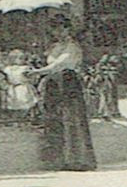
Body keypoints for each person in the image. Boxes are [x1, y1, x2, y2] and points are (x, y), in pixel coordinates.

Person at [26, 13, 98, 171]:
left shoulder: (72, 47)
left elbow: (59, 65)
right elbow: (49, 63)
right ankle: (57, 159)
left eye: (61, 29)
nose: (58, 33)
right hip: (53, 84)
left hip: (67, 83)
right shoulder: (54, 46)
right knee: (54, 119)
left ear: (68, 29)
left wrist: (37, 72)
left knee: (71, 118)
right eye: (55, 29)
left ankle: (77, 159)